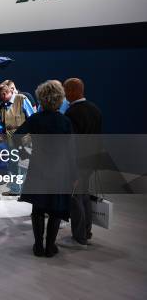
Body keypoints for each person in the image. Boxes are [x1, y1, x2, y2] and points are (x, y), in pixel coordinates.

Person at [14, 80, 77, 257]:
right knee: (56, 209)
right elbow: (71, 151)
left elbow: (17, 136)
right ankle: (50, 247)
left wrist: (25, 153)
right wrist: (74, 175)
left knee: (38, 208)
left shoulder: (35, 119)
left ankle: (38, 246)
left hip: (39, 167)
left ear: (41, 98)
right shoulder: (65, 121)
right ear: (60, 98)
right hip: (60, 170)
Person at [58, 78, 102, 249]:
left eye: (66, 90)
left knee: (76, 200)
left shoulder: (72, 113)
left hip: (77, 164)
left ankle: (80, 236)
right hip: (91, 162)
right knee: (84, 197)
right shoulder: (95, 109)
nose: (64, 94)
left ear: (74, 91)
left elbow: (71, 144)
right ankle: (87, 231)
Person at [0, 82, 35, 195]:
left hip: (25, 140)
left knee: (24, 166)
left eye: (0, 97)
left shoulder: (22, 99)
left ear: (4, 94)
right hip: (10, 142)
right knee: (13, 166)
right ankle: (15, 189)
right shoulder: (2, 106)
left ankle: (26, 192)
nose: (0, 100)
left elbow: (32, 118)